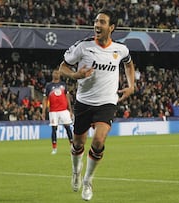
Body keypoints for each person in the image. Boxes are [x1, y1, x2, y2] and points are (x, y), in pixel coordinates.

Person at [59, 8, 135, 201]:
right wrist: (75, 75)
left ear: (112, 27)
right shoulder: (83, 46)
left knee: (99, 140)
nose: (97, 25)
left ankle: (88, 180)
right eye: (96, 21)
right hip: (84, 102)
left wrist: (131, 86)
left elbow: (128, 63)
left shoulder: (120, 49)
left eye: (102, 22)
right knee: (78, 144)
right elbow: (63, 66)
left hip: (107, 102)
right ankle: (76, 170)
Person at [42, 69, 74, 155]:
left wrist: (70, 110)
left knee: (68, 128)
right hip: (53, 111)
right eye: (55, 73)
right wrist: (43, 112)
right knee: (54, 129)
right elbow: (45, 99)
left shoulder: (63, 85)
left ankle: (72, 146)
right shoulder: (48, 86)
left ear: (59, 75)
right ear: (52, 75)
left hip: (64, 110)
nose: (56, 74)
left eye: (58, 73)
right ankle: (54, 148)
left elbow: (67, 97)